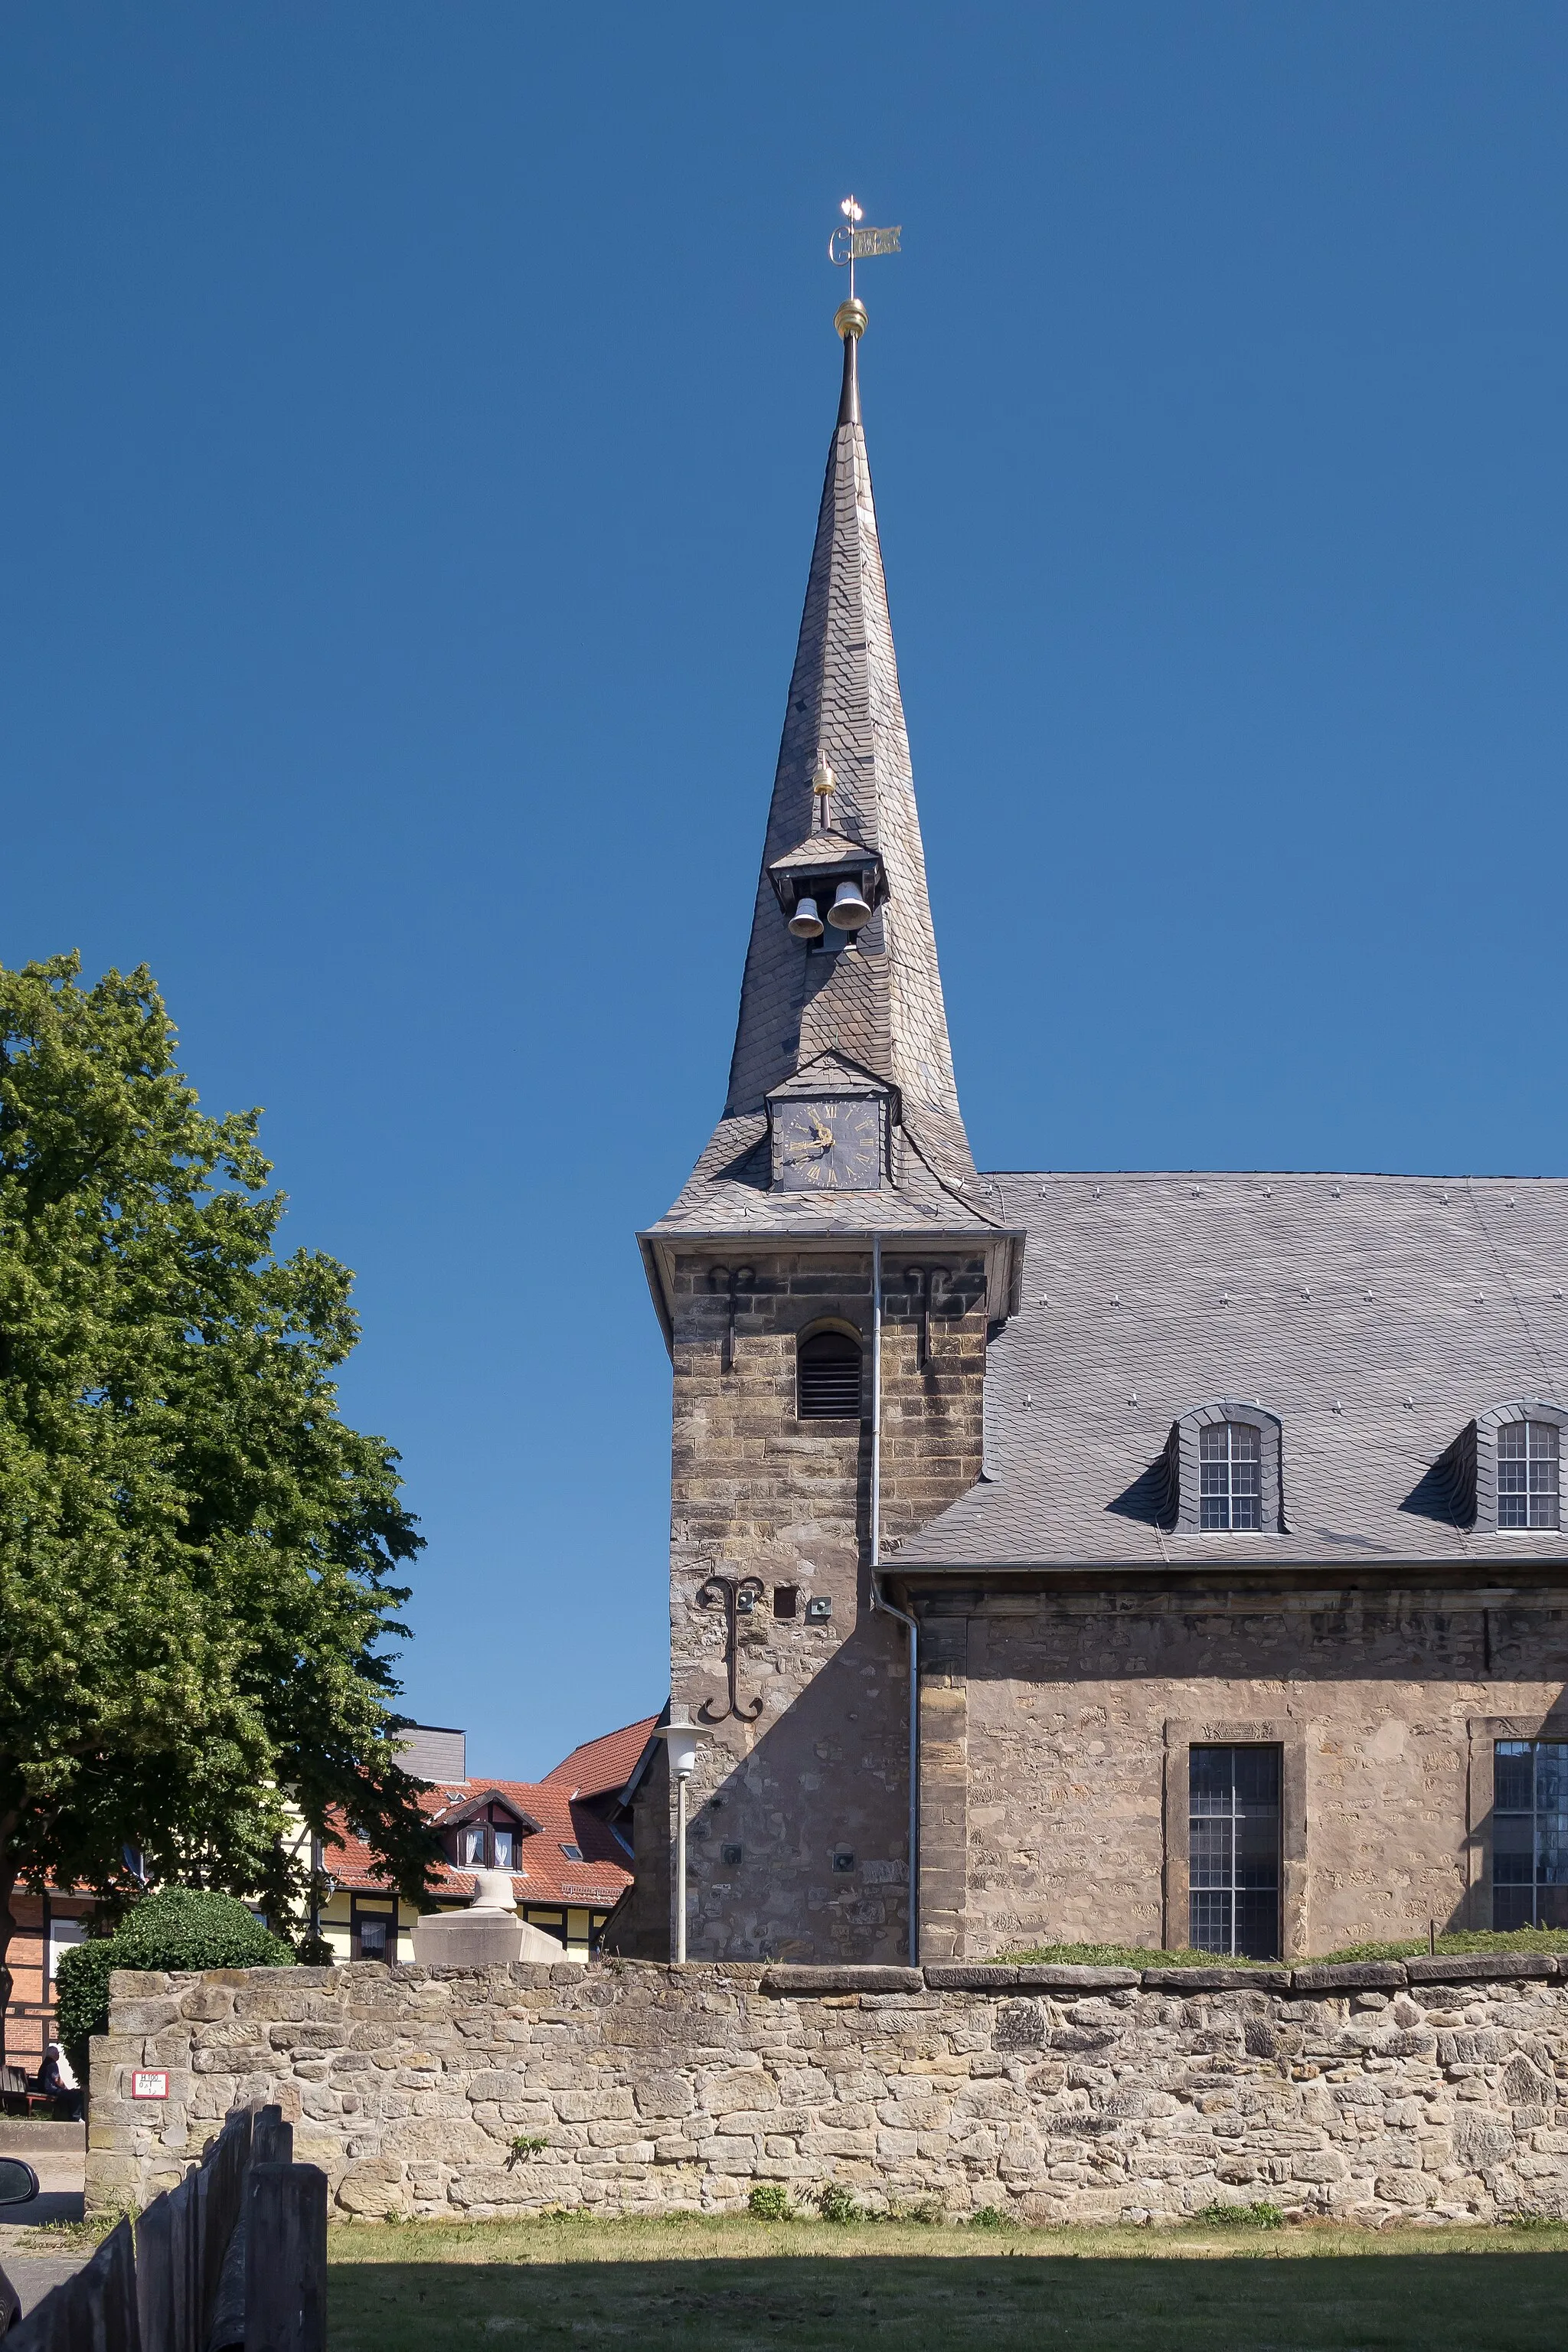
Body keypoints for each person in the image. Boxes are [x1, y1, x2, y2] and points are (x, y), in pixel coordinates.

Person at [36, 2042, 80, 2120]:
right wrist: (66, 2088)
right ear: (54, 2054)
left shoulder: (45, 2063)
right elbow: (57, 2080)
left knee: (71, 2094)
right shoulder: (52, 2064)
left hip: (44, 2089)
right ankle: (75, 2118)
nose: (59, 2055)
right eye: (58, 2054)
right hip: (50, 2090)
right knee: (76, 2095)